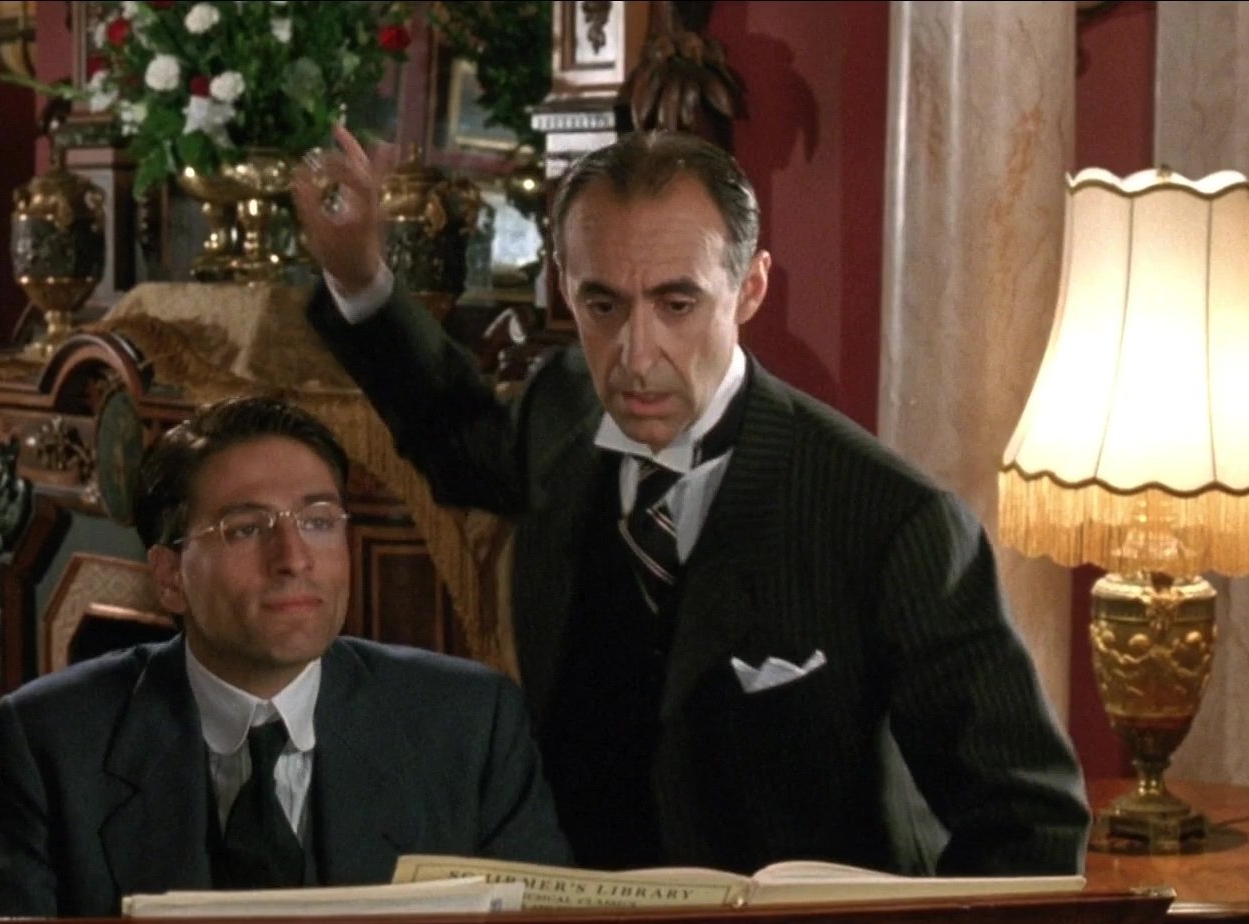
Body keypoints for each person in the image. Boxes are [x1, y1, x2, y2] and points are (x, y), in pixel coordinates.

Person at [292, 126, 1091, 877]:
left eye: (677, 305)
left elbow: (1027, 818)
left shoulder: (894, 521)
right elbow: (458, 438)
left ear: (750, 289)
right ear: (566, 287)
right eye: (603, 305)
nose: (636, 357)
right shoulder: (562, 407)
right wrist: (360, 278)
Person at [0, 396, 570, 918]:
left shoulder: (469, 724)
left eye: (318, 521)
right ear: (169, 578)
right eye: (245, 529)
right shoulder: (51, 742)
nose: (294, 559)